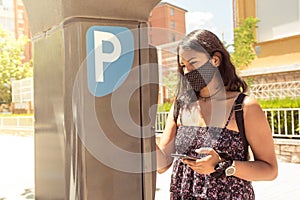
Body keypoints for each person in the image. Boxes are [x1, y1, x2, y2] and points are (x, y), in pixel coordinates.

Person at [156, 29, 278, 199]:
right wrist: (141, 130)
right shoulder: (181, 105)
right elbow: (161, 165)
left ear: (215, 60)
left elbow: (270, 170)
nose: (187, 72)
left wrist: (222, 165)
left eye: (193, 63)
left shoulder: (244, 107)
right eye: (183, 66)